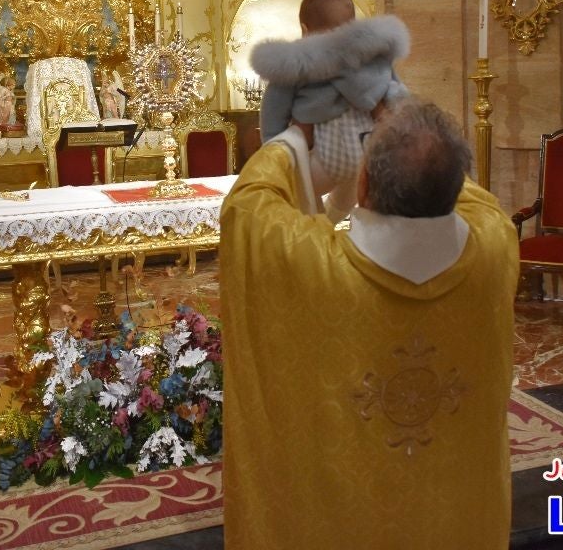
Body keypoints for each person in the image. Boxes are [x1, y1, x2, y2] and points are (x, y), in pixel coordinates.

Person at [219, 98, 518, 548]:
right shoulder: (495, 247)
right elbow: (471, 196)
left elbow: (247, 207)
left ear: (362, 184)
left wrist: (297, 137)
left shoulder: (309, 263)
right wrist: (405, 125)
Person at [250, 0, 408, 219]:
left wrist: (274, 151)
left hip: (327, 158)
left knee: (299, 190)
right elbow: (397, 92)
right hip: (367, 154)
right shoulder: (374, 55)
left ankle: (317, 229)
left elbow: (274, 110)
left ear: (305, 29)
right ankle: (333, 223)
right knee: (350, 193)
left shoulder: (297, 62)